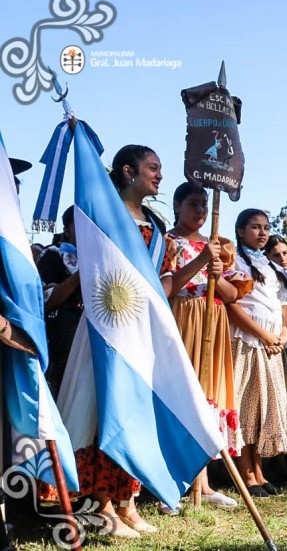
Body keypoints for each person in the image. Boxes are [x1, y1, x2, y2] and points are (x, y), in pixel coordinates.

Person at [54, 144, 166, 537]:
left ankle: (126, 503)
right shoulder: (103, 215)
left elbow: (158, 283)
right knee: (104, 410)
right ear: (128, 171)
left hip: (140, 327)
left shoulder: (156, 225)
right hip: (107, 324)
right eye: (152, 167)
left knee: (135, 410)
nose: (159, 175)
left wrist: (203, 265)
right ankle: (101, 506)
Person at [163, 182, 245, 509]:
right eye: (193, 204)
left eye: (204, 204)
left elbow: (234, 294)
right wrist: (199, 262)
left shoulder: (220, 245)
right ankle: (172, 483)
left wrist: (217, 273)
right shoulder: (167, 242)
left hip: (214, 319)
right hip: (184, 316)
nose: (200, 211)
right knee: (182, 394)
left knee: (209, 394)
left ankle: (204, 484)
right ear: (177, 205)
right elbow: (167, 286)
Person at [227, 209, 287, 497]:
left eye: (266, 227)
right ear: (241, 231)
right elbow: (232, 305)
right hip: (247, 342)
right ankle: (245, 473)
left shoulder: (271, 265)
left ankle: (259, 470)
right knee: (245, 407)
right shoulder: (234, 260)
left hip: (272, 344)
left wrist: (283, 333)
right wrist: (263, 335)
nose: (263, 232)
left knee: (264, 409)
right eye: (255, 227)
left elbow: (284, 305)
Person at [37, 206, 82, 398]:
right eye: (80, 224)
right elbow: (46, 301)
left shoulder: (106, 260)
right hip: (62, 344)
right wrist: (82, 273)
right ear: (67, 229)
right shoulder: (53, 255)